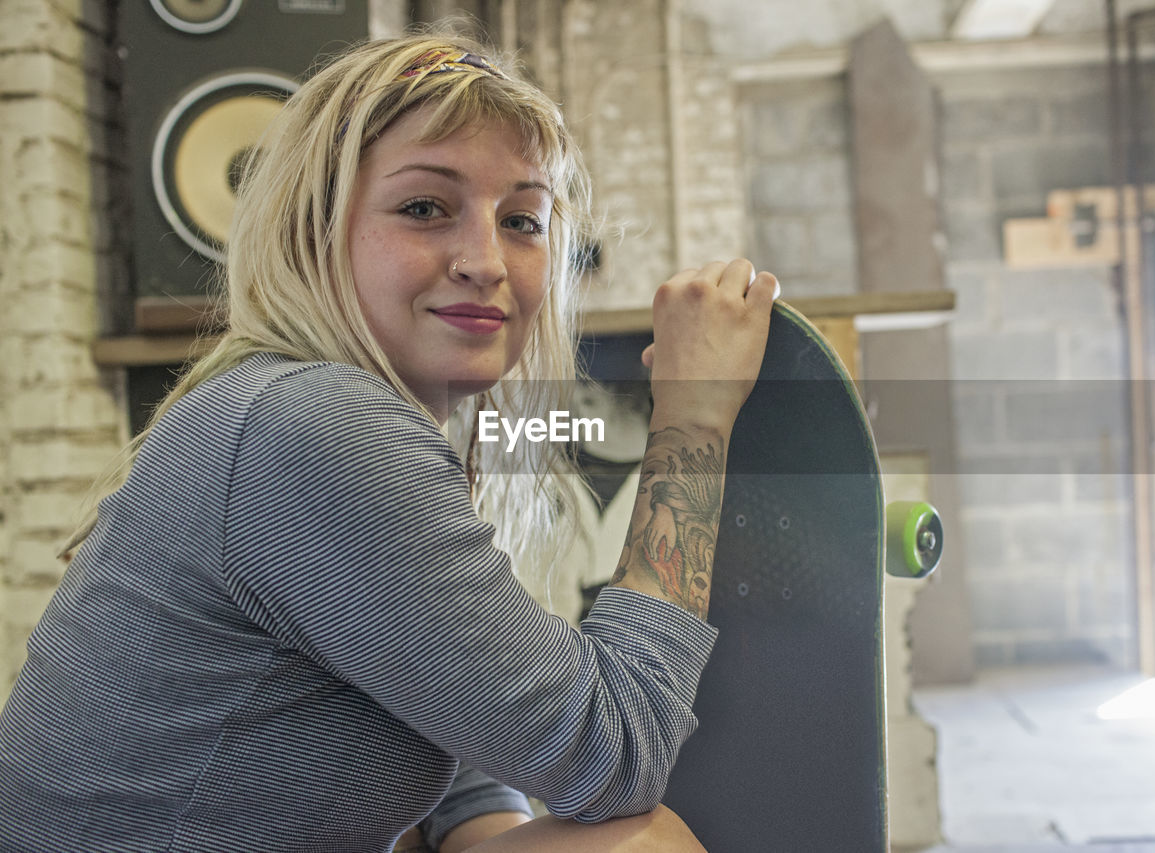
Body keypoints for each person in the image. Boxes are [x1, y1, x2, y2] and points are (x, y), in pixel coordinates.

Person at [0, 28, 777, 853]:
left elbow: (428, 703)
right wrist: (694, 415)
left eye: (522, 219)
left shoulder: (286, 404)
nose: (486, 260)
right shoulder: (315, 426)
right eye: (423, 208)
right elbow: (618, 751)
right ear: (316, 230)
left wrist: (494, 833)